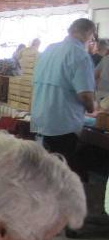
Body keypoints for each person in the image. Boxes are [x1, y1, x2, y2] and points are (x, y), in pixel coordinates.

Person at [31, 18, 96, 178]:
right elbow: (85, 94)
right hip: (62, 124)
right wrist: (92, 109)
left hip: (39, 118)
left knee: (41, 171)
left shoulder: (49, 49)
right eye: (92, 39)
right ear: (88, 34)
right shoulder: (80, 55)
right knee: (59, 174)